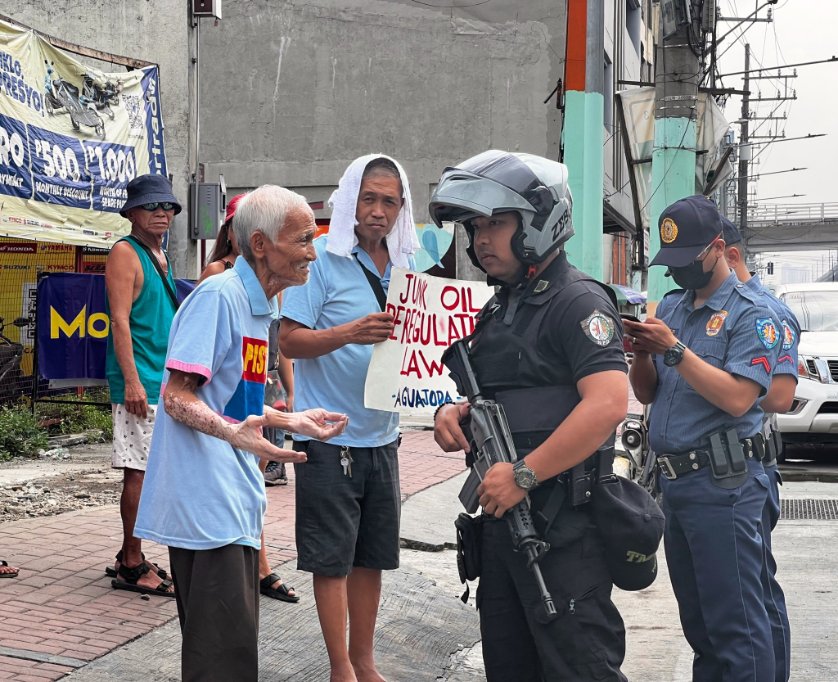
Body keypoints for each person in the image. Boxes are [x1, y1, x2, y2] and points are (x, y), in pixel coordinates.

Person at [133, 185, 348, 681]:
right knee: (222, 660)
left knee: (230, 651)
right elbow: (177, 397)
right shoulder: (219, 297)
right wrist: (236, 435)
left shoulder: (260, 307)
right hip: (207, 505)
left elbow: (230, 404)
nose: (312, 254)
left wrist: (285, 419)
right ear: (259, 244)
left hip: (233, 499)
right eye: (301, 241)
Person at [430, 150, 629, 681]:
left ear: (540, 220)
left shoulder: (578, 301)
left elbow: (609, 402)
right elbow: (513, 394)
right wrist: (459, 411)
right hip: (501, 530)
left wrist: (524, 474)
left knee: (578, 669)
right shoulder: (501, 307)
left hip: (562, 529)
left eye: (496, 223)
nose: (481, 240)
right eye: (475, 227)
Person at [624, 195, 783, 681]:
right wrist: (643, 355)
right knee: (700, 628)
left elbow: (739, 398)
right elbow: (647, 393)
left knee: (736, 628)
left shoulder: (752, 313)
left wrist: (672, 350)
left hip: (726, 486)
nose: (677, 274)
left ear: (718, 249)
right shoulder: (671, 307)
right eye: (669, 265)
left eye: (686, 261)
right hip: (677, 487)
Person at [279, 154, 419, 682]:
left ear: (401, 207)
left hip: (383, 437)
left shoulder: (409, 267)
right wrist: (347, 334)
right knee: (331, 558)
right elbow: (287, 339)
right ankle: (340, 668)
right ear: (349, 202)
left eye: (389, 201)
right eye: (368, 199)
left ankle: (365, 660)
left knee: (371, 557)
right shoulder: (321, 261)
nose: (378, 211)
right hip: (328, 437)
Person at [198, 194, 299, 604]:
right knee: (234, 478)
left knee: (254, 479)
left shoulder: (270, 286)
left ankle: (257, 564)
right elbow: (201, 355)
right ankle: (253, 566)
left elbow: (280, 347)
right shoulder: (217, 280)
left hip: (262, 381)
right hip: (228, 393)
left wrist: (290, 391)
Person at [722, 216, 795, 682]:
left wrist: (728, 381)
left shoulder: (766, 312)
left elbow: (781, 396)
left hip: (749, 469)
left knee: (755, 601)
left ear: (729, 256)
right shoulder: (703, 307)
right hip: (714, 468)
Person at [105, 174, 182, 597]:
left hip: (160, 378)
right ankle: (132, 564)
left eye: (168, 207)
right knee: (138, 473)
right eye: (153, 206)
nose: (162, 213)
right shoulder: (125, 253)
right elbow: (119, 321)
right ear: (132, 212)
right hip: (141, 380)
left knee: (150, 471)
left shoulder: (158, 255)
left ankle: (129, 553)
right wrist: (132, 382)